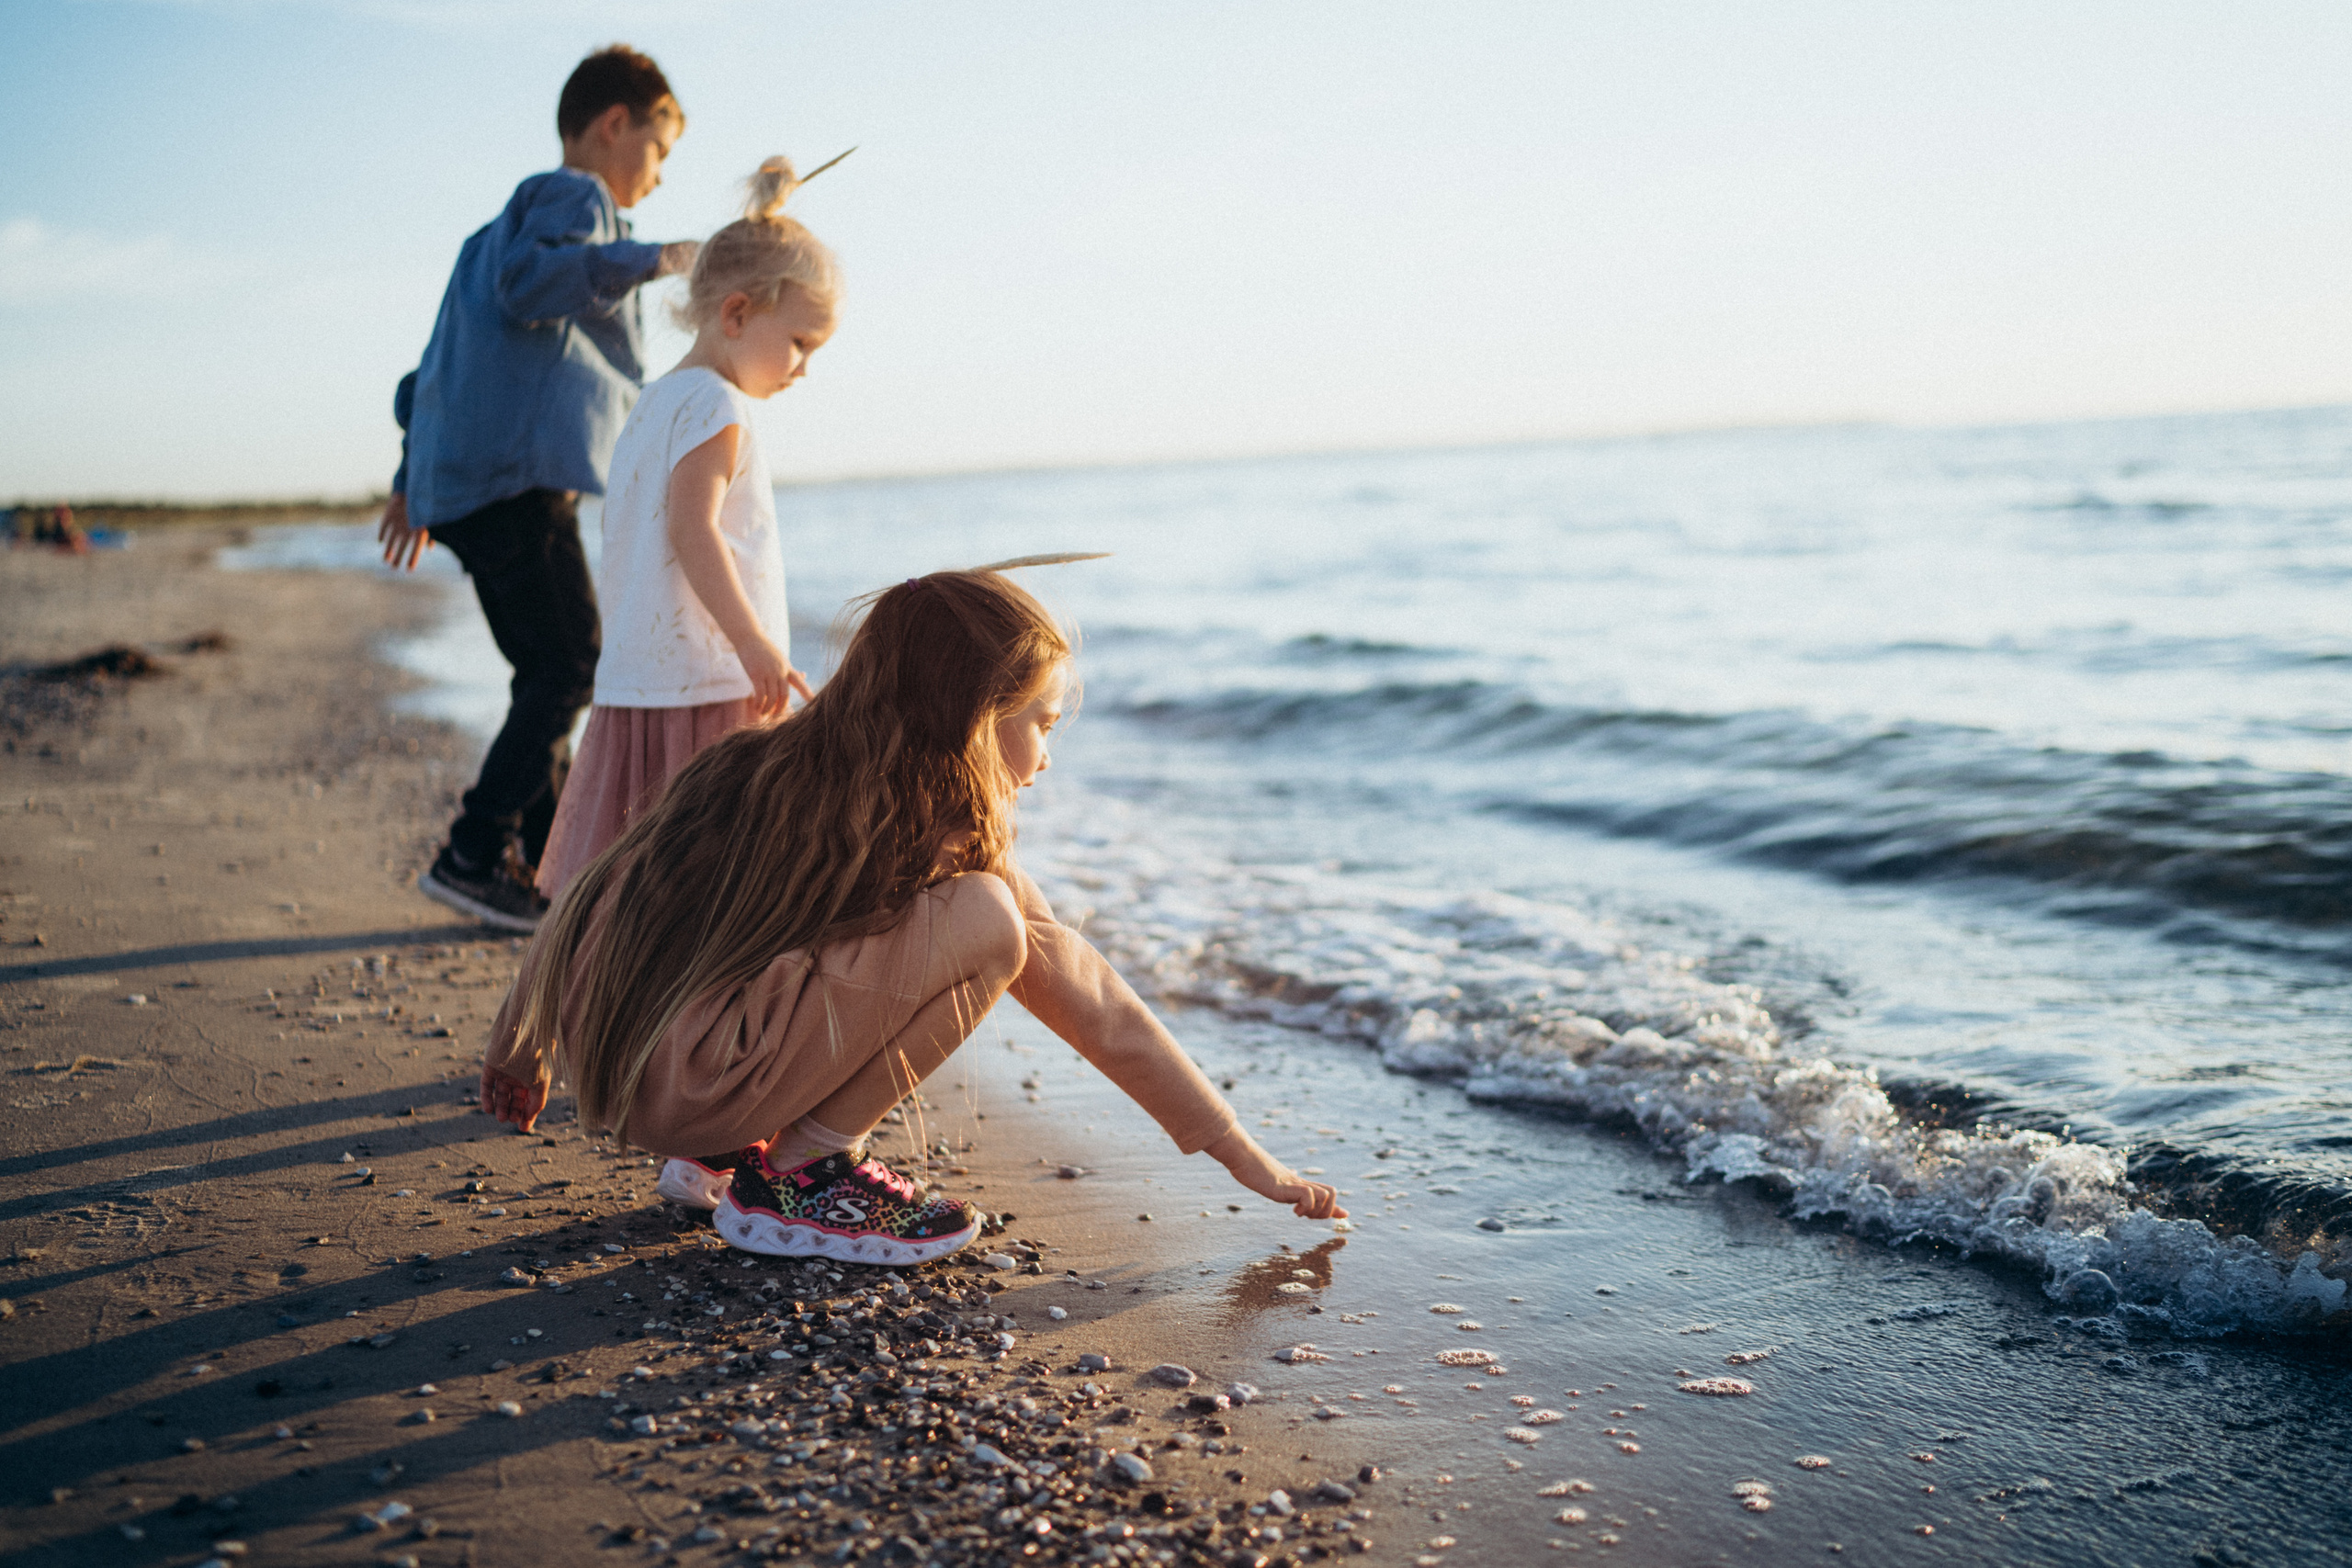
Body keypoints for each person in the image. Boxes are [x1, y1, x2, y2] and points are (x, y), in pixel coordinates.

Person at [476, 570, 1346, 1263]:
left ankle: (727, 1152)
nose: (1047, 752)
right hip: (699, 1081)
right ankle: (805, 1173)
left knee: (829, 945)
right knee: (991, 923)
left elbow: (597, 889)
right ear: (972, 716)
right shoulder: (938, 828)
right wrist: (1240, 1151)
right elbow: (1087, 993)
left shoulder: (759, 763)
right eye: (1040, 721)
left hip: (622, 1071)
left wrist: (521, 1042)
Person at [379, 44, 702, 931]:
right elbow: (534, 286)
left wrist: (413, 477)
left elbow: (428, 379)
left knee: (545, 670)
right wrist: (657, 257)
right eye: (660, 149)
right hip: (519, 487)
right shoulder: (578, 202)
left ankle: (549, 870)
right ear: (613, 125)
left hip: (468, 492)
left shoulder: (485, 238)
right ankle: (472, 852)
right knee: (569, 668)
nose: (660, 175)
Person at [531, 156, 833, 903]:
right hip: (707, 683)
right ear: (736, 314)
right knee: (708, 888)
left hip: (639, 680)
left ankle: (579, 1007)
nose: (804, 369)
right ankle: (688, 1017)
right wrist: (754, 642)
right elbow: (693, 529)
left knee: (627, 884)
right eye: (800, 343)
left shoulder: (653, 403)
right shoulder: (719, 409)